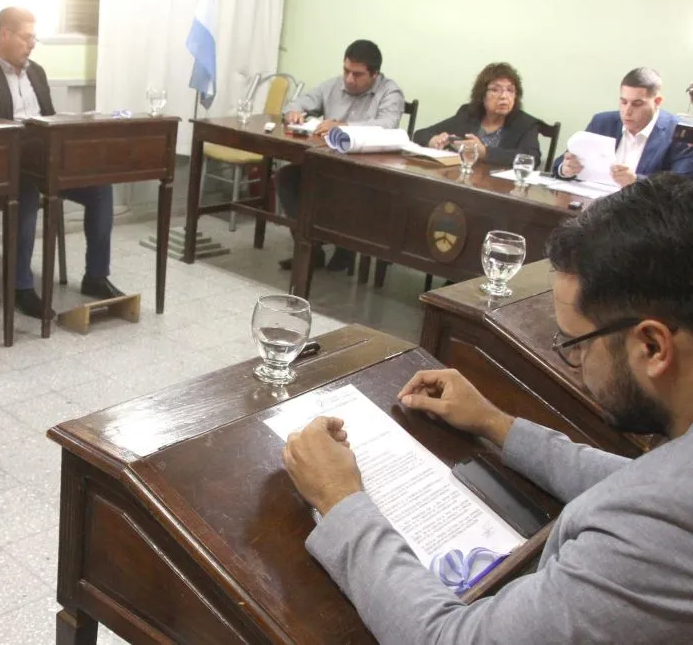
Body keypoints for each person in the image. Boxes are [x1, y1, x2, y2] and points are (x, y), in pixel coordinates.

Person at [283, 171, 693, 644]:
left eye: (577, 344)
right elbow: (635, 480)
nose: (577, 365)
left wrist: (340, 500)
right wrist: (495, 424)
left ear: (652, 346)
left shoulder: (658, 529)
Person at [0, 7, 123, 319]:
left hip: (44, 164)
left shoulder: (37, 73)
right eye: (26, 38)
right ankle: (21, 288)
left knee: (100, 187)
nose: (32, 45)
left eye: (34, 38)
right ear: (5, 34)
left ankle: (96, 276)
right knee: (26, 191)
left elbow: (49, 121)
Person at [277, 40, 405, 272]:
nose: (349, 79)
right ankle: (310, 249)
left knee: (344, 188)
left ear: (375, 74)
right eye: (346, 71)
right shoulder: (334, 85)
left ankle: (345, 248)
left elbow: (387, 125)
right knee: (286, 177)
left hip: (365, 173)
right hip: (327, 164)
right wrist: (294, 113)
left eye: (358, 74)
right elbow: (297, 103)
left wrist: (344, 126)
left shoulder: (390, 91)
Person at [555, 67, 693, 187]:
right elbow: (560, 164)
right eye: (624, 102)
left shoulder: (679, 132)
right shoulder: (603, 122)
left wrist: (635, 182)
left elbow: (681, 186)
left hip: (643, 208)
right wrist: (565, 169)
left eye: (637, 104)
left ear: (657, 102)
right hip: (593, 203)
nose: (627, 111)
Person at [413, 62, 541, 167]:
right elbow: (420, 134)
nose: (504, 96)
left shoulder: (525, 124)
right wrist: (433, 141)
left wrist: (485, 152)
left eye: (510, 90)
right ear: (482, 94)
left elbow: (532, 159)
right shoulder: (469, 114)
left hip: (501, 187)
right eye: (495, 89)